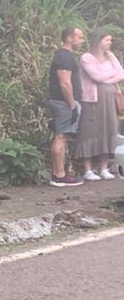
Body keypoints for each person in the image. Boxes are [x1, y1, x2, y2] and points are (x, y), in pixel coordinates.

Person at [77, 30, 124, 179]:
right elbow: (96, 76)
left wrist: (106, 78)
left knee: (108, 129)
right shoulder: (87, 57)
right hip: (92, 99)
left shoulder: (111, 56)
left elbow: (121, 74)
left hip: (110, 98)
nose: (110, 43)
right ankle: (88, 169)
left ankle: (104, 168)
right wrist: (111, 76)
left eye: (110, 40)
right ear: (98, 41)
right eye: (107, 40)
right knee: (90, 130)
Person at [48, 26, 85, 186]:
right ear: (70, 38)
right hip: (64, 103)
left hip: (65, 102)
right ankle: (58, 175)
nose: (82, 41)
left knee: (62, 137)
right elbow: (64, 83)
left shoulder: (66, 56)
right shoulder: (64, 56)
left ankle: (59, 173)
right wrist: (72, 105)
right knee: (61, 136)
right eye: (80, 37)